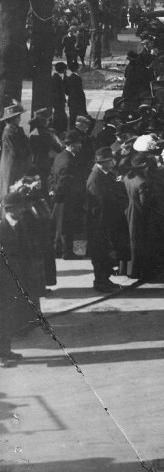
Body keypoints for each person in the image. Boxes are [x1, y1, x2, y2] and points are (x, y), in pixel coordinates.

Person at [0, 192, 42, 367]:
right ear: (10, 209)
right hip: (3, 281)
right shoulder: (2, 227)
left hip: (18, 278)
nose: (23, 209)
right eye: (19, 207)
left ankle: (6, 351)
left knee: (10, 317)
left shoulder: (20, 224)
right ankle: (1, 356)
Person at [84, 147, 124, 293]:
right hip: (98, 225)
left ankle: (105, 279)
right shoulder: (95, 179)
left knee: (105, 254)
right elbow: (101, 204)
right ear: (102, 162)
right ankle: (100, 282)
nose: (112, 162)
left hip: (104, 223)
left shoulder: (104, 174)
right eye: (109, 160)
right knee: (99, 255)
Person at [50, 130, 86, 261]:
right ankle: (68, 253)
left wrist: (51, 190)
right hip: (68, 198)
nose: (80, 145)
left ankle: (58, 251)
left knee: (59, 225)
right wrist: (58, 192)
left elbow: (52, 175)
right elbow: (64, 181)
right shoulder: (69, 161)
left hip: (59, 198)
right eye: (78, 143)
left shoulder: (60, 156)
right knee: (68, 225)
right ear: (72, 145)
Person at [0, 103, 31, 197]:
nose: (20, 119)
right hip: (12, 167)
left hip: (15, 165)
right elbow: (17, 151)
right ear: (12, 119)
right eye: (18, 117)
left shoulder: (15, 130)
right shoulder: (9, 132)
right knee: (11, 189)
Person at [51, 62, 69, 134]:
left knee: (60, 114)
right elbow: (62, 88)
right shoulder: (56, 78)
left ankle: (60, 128)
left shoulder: (57, 77)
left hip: (58, 100)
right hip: (58, 100)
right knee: (59, 114)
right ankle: (59, 128)